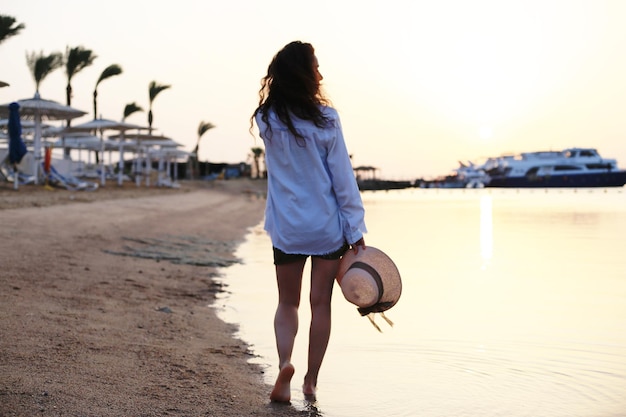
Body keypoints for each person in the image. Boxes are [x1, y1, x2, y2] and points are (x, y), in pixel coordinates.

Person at [251, 41, 367, 403]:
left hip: (287, 226)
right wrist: (356, 229)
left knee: (288, 303)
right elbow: (343, 180)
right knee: (321, 305)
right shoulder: (327, 120)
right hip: (326, 228)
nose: (321, 74)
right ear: (303, 73)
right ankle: (310, 381)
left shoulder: (266, 119)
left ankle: (285, 363)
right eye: (316, 67)